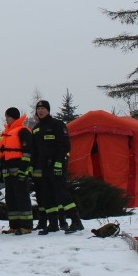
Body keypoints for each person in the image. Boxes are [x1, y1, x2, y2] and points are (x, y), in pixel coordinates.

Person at [32, 100, 83, 234]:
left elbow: (65, 145)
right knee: (47, 196)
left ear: (48, 110)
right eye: (38, 109)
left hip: (56, 165)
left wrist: (60, 162)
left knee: (61, 194)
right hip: (42, 167)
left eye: (43, 108)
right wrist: (33, 167)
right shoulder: (36, 129)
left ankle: (76, 221)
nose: (40, 111)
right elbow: (34, 151)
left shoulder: (57, 125)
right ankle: (53, 224)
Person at [0, 107, 33, 234]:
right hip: (8, 171)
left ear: (13, 117)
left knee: (22, 196)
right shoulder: (5, 133)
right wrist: (0, 171)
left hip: (19, 169)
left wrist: (24, 169)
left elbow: (28, 151)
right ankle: (14, 225)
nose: (6, 119)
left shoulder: (23, 131)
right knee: (10, 198)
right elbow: (2, 154)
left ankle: (26, 225)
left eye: (7, 116)